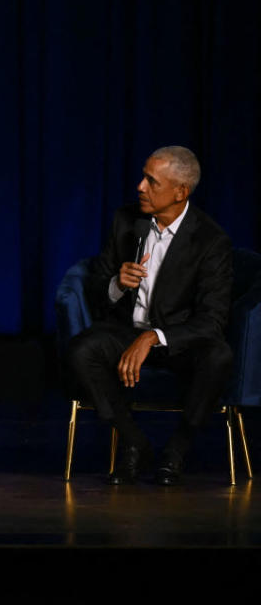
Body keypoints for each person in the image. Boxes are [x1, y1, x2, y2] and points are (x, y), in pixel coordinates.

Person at [68, 146, 233, 485]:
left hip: (178, 340)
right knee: (81, 350)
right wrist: (117, 284)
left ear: (180, 192)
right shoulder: (126, 220)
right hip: (128, 330)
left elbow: (212, 320)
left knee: (219, 356)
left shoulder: (210, 241)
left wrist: (153, 338)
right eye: (143, 177)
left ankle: (176, 450)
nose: (140, 187)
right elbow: (97, 284)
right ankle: (133, 442)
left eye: (151, 181)